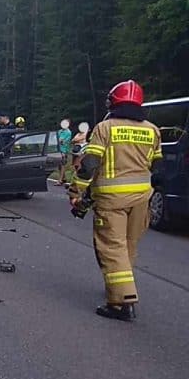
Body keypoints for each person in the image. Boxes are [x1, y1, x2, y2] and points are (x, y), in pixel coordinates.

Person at [68, 79, 162, 321]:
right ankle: (118, 285)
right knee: (128, 246)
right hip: (142, 199)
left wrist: (76, 192)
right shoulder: (152, 130)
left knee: (112, 248)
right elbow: (157, 166)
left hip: (112, 200)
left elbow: (90, 165)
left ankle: (121, 303)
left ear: (114, 102)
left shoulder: (105, 128)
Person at [56, 118, 73, 185]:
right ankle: (64, 178)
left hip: (64, 150)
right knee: (59, 165)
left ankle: (60, 180)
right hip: (58, 149)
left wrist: (59, 140)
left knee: (62, 165)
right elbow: (56, 139)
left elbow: (63, 141)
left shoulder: (68, 132)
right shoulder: (59, 131)